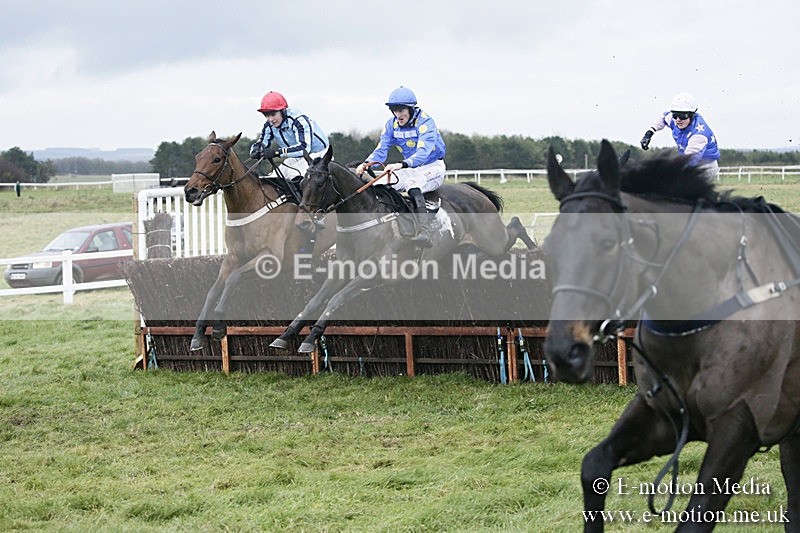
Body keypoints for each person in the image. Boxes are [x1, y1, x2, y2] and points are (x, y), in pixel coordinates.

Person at [355, 86, 447, 247]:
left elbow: (423, 152)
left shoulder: (426, 122)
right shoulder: (391, 125)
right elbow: (381, 149)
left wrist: (401, 164)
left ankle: (424, 231)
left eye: (401, 110)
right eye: (394, 110)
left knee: (412, 184)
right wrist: (365, 163)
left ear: (411, 109)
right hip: (410, 168)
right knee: (379, 185)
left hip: (432, 166)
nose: (398, 114)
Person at [249, 91, 330, 194]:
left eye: (273, 114)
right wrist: (255, 150)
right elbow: (261, 142)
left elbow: (304, 149)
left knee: (293, 174)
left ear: (283, 111)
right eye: (267, 115)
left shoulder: (299, 120)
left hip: (319, 155)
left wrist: (277, 152)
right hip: (296, 157)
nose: (271, 119)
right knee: (272, 177)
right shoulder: (269, 125)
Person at [640, 92, 720, 180]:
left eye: (682, 116)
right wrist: (649, 134)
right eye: (675, 115)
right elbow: (663, 118)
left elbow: (690, 160)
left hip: (705, 166)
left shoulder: (699, 136)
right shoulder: (676, 119)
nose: (678, 120)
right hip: (688, 160)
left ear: (692, 115)